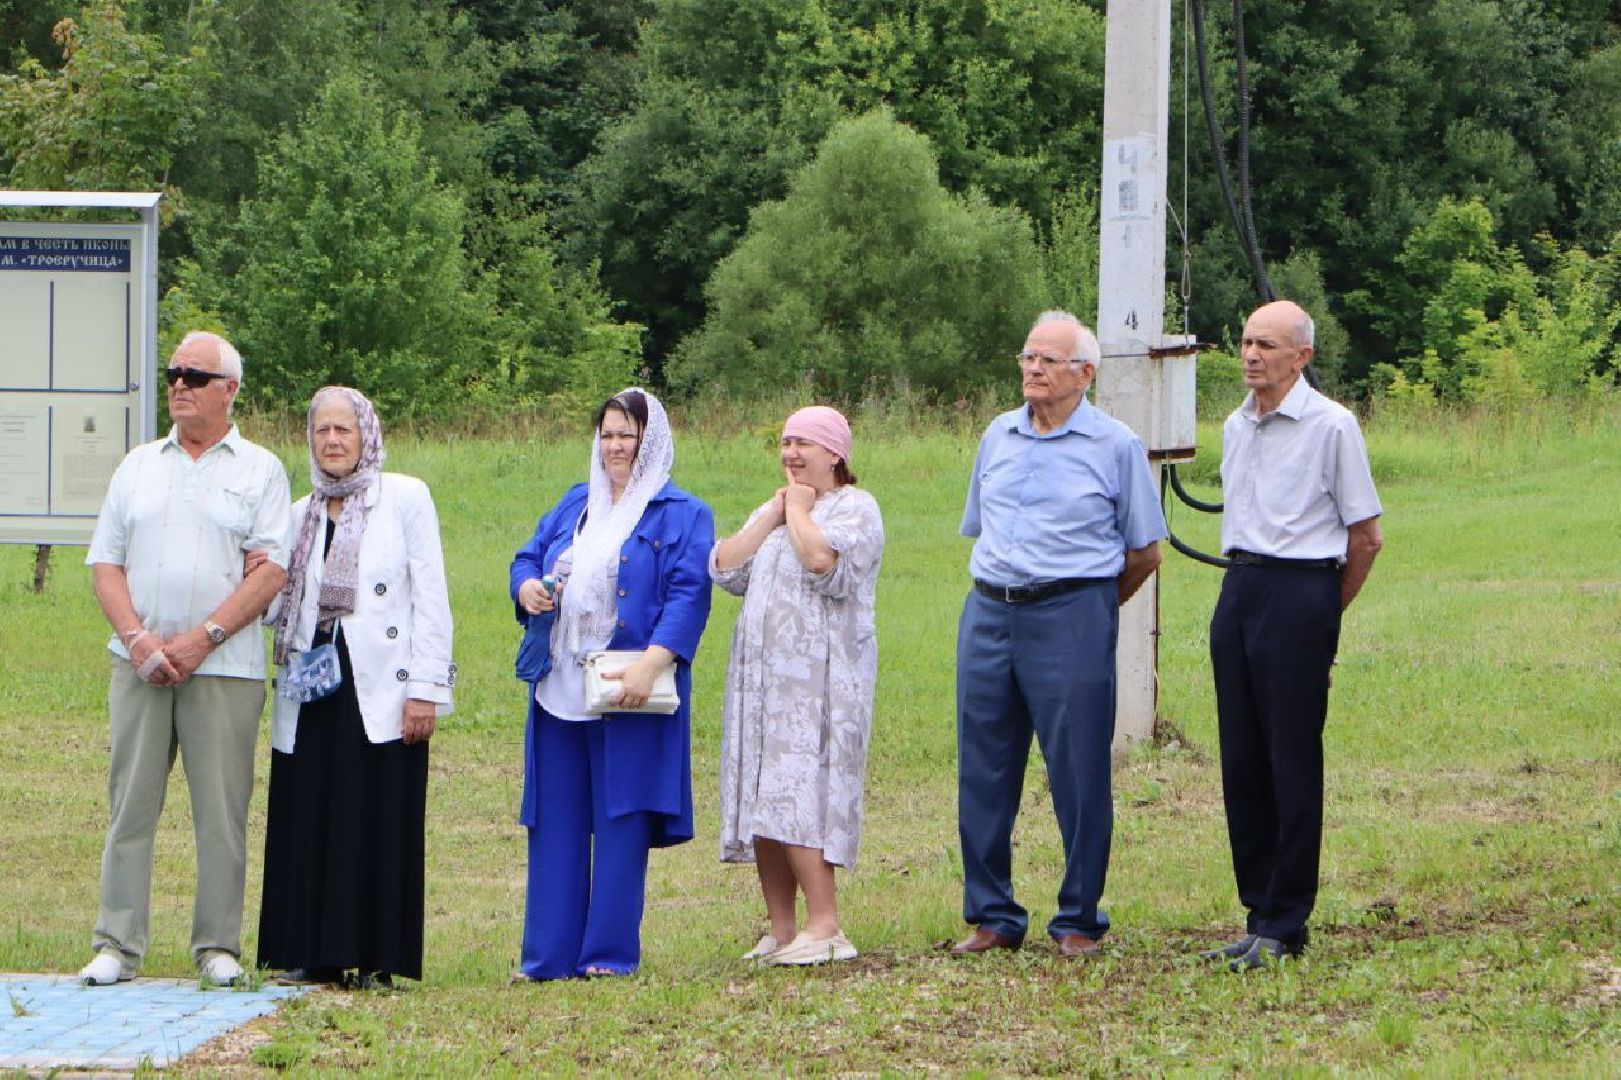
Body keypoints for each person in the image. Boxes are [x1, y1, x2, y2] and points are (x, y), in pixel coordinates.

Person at [951, 310, 1167, 960]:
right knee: (982, 767)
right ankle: (992, 915)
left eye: (1047, 360)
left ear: (1084, 373)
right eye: (1027, 357)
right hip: (989, 611)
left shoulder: (1115, 446)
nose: (1032, 369)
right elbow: (978, 527)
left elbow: (1144, 553)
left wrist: (1088, 608)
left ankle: (1077, 918)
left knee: (1076, 769)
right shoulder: (998, 435)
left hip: (1071, 614)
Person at [79, 331, 291, 987]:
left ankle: (217, 946)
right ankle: (117, 942)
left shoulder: (261, 470)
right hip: (140, 664)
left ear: (229, 390)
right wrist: (141, 640)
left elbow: (269, 570)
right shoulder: (138, 465)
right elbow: (105, 563)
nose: (178, 384)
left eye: (194, 376)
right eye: (173, 373)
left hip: (223, 669)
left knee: (221, 812)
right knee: (130, 806)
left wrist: (205, 637)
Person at [1201, 300, 1383, 971]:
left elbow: (1365, 537)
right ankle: (1258, 912)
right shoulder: (1235, 425)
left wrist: (1322, 614)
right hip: (1240, 586)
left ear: (1300, 356)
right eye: (1246, 342)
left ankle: (1288, 918)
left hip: (1301, 588)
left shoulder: (1331, 426)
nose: (1250, 355)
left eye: (1266, 345)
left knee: (1289, 756)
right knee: (1242, 757)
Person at [509, 389, 713, 980]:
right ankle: (546, 957)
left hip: (631, 686)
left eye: (628, 434)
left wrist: (654, 661)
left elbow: (688, 592)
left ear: (653, 440)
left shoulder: (682, 512)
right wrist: (525, 587)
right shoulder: (578, 503)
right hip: (560, 684)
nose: (616, 446)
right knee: (555, 820)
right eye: (608, 434)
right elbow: (527, 556)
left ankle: (607, 955)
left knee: (622, 817)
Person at [258, 387, 455, 989]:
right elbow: (275, 598)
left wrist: (425, 688)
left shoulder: (405, 497)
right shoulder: (297, 513)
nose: (333, 441)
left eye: (345, 430)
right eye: (322, 431)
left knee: (377, 813)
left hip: (384, 684)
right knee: (309, 810)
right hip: (313, 679)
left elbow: (431, 598)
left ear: (367, 434)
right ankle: (310, 953)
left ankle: (375, 958)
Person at [711, 406, 885, 966]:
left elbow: (820, 561)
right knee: (766, 796)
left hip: (821, 686)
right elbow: (724, 567)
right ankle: (783, 930)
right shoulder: (781, 504)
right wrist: (776, 514)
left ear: (835, 453)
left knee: (800, 794)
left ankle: (826, 924)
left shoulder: (856, 509)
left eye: (803, 443)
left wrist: (802, 514)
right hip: (762, 684)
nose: (790, 453)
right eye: (785, 442)